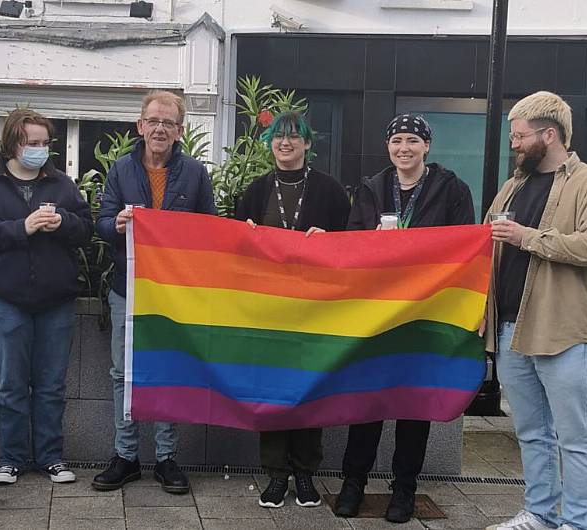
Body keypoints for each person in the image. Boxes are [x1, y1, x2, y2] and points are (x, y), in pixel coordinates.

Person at [483, 91, 587, 530]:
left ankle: (577, 523)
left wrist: (529, 237)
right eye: (512, 136)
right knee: (530, 432)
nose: (514, 145)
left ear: (550, 134)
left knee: (574, 437)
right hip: (511, 328)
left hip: (562, 331)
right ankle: (540, 513)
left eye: (520, 136)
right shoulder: (514, 185)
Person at [335, 114, 475, 523]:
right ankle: (353, 483)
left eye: (412, 140)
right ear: (388, 146)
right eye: (397, 140)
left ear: (427, 146)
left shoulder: (452, 190)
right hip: (377, 312)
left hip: (425, 313)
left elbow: (463, 247)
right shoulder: (371, 188)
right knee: (367, 401)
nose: (404, 148)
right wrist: (375, 246)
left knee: (413, 404)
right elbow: (350, 244)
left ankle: (404, 489)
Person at [0, 108, 93, 485]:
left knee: (51, 385)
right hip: (5, 299)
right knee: (11, 383)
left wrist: (64, 222)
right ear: (13, 143)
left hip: (56, 301)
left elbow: (86, 230)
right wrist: (22, 228)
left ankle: (51, 458)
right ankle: (11, 459)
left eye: (45, 142)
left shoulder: (62, 184)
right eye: (33, 143)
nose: (40, 149)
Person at [93, 90, 217, 493]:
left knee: (168, 371)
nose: (160, 128)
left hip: (173, 293)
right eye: (154, 120)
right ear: (140, 126)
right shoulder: (120, 169)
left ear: (179, 131)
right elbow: (101, 221)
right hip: (126, 287)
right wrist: (117, 225)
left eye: (169, 122)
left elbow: (210, 231)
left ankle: (166, 459)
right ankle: (125, 456)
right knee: (121, 372)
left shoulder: (196, 173)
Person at [236, 111, 351, 509]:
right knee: (271, 391)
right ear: (269, 143)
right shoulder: (255, 190)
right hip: (267, 311)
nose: (284, 143)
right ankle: (275, 475)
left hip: (316, 311)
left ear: (306, 143)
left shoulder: (331, 191)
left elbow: (352, 250)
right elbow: (235, 251)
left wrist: (330, 242)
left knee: (310, 391)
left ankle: (305, 473)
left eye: (292, 137)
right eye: (277, 137)